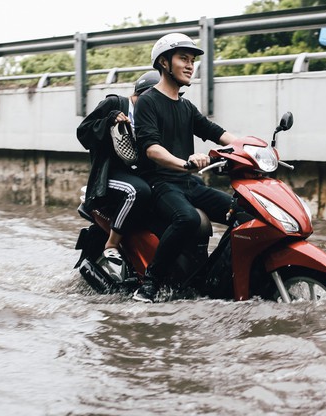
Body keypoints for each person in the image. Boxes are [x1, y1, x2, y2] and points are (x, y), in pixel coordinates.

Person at [131, 33, 240, 303]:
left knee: (243, 211)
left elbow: (217, 132)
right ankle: (150, 285)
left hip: (190, 183)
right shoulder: (148, 101)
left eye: (192, 60)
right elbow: (151, 148)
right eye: (184, 59)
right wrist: (185, 163)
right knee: (188, 219)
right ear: (164, 63)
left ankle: (223, 276)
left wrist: (254, 148)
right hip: (162, 183)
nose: (191, 65)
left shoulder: (187, 106)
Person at [76, 71, 160, 282]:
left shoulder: (152, 117)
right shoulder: (116, 103)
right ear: (145, 94)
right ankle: (111, 244)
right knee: (138, 192)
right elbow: (83, 132)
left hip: (140, 174)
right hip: (109, 175)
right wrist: (109, 121)